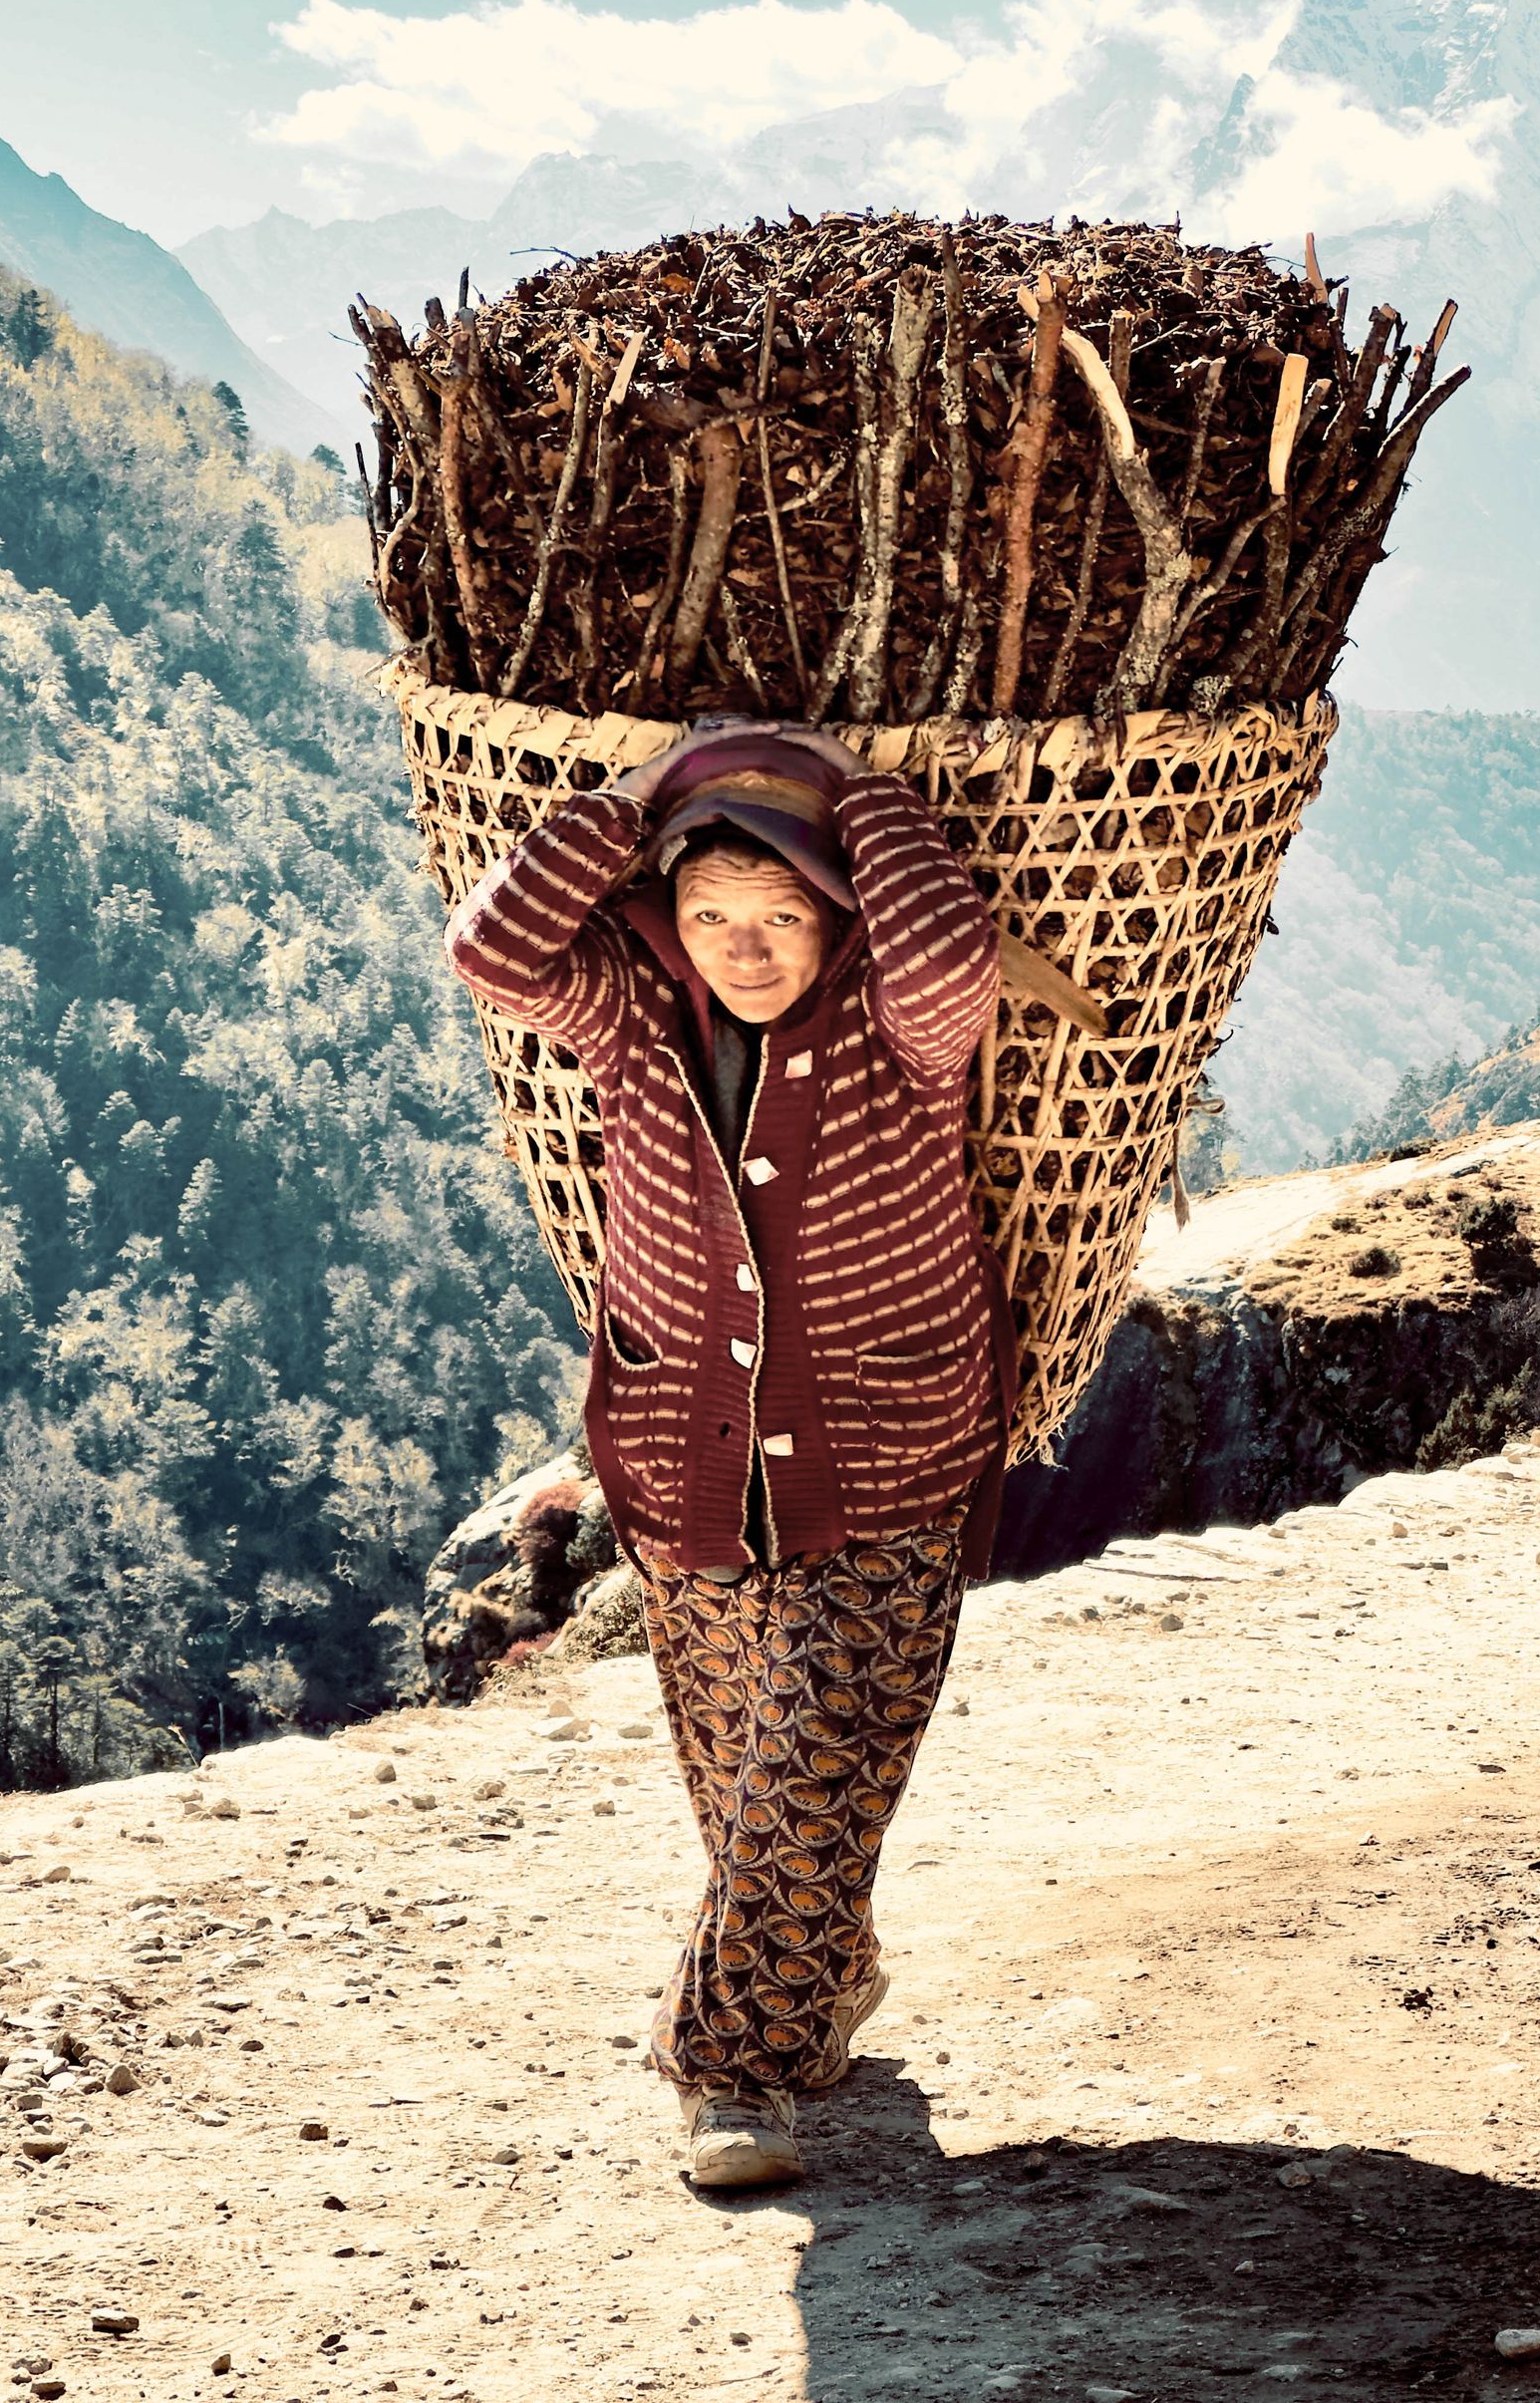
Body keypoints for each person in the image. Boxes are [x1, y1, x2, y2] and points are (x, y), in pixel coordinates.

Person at [443, 721, 1016, 2191]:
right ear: (671, 919)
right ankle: (825, 1973)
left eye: (778, 916)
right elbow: (493, 953)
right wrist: (634, 802)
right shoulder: (634, 1015)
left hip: (885, 1458)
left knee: (811, 1766)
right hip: (682, 1462)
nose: (744, 947)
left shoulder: (901, 1018)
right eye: (711, 915)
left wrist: (859, 794)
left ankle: (731, 2074)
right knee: (745, 1786)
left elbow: (957, 958)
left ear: (835, 914)